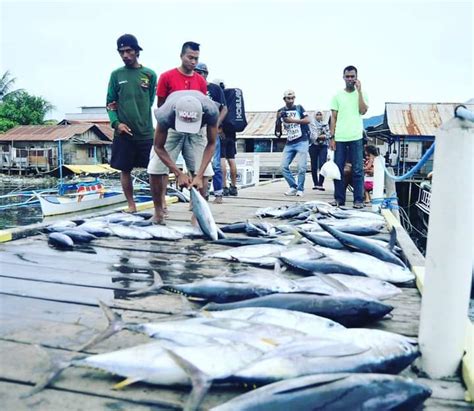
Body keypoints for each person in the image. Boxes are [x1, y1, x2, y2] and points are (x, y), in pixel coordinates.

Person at [147, 90, 218, 224]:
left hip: (199, 129)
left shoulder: (211, 111)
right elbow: (158, 147)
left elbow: (212, 143)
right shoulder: (165, 113)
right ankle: (158, 213)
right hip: (172, 129)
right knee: (155, 168)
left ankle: (198, 217)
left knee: (205, 172)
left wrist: (198, 175)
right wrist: (178, 173)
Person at [106, 34, 157, 213]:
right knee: (124, 170)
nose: (125, 55)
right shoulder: (116, 75)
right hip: (123, 133)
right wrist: (116, 124)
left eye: (128, 51)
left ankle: (161, 204)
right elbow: (110, 104)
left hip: (145, 132)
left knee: (154, 169)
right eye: (121, 52)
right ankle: (131, 205)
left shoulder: (149, 74)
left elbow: (150, 101)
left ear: (137, 51)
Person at [154, 41, 207, 210]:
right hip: (171, 126)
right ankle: (160, 207)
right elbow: (161, 105)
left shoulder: (200, 81)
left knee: (202, 171)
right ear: (181, 56)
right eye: (190, 57)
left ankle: (196, 211)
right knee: (156, 168)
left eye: (196, 58)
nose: (193, 62)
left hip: (195, 128)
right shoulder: (166, 77)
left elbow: (201, 107)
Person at [329, 65, 369, 208]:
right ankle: (339, 199)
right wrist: (332, 137)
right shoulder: (337, 95)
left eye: (353, 76)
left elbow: (363, 110)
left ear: (356, 77)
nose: (350, 79)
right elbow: (333, 117)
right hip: (340, 137)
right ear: (343, 77)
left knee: (358, 169)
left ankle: (359, 200)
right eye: (348, 76)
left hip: (356, 136)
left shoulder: (362, 93)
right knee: (338, 170)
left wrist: (359, 92)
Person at [194, 63, 228, 204]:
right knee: (196, 164)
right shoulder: (192, 88)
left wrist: (217, 123)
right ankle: (200, 195)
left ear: (206, 74)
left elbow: (224, 108)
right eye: (196, 72)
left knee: (215, 164)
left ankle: (218, 193)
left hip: (211, 130)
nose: (198, 75)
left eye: (201, 72)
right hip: (195, 131)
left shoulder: (214, 89)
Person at [275, 89, 311, 197]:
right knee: (283, 166)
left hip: (302, 140)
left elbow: (308, 120)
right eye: (288, 98)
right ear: (284, 99)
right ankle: (293, 186)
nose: (290, 100)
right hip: (290, 141)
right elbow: (278, 130)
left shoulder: (299, 108)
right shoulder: (280, 110)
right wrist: (278, 119)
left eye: (292, 98)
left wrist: (292, 120)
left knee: (301, 167)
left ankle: (300, 188)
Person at [215, 79, 239, 197]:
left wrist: (218, 128)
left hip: (222, 132)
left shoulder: (220, 97)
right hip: (232, 133)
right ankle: (234, 187)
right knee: (232, 159)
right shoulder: (231, 98)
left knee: (221, 160)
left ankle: (224, 186)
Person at [309, 111, 330, 191]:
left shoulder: (325, 124)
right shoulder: (311, 124)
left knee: (322, 164)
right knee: (313, 165)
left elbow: (329, 134)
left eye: (320, 114)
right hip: (313, 146)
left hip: (323, 146)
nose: (318, 116)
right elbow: (311, 135)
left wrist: (321, 136)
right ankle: (315, 183)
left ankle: (321, 183)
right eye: (317, 114)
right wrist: (318, 136)